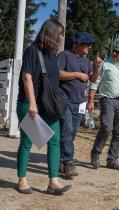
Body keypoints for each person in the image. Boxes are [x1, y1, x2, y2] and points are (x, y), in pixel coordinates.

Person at [16, 19, 71, 195]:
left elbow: (54, 76)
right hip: (30, 104)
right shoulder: (32, 51)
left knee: (54, 141)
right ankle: (22, 180)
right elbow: (27, 77)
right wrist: (32, 103)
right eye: (60, 34)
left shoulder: (52, 55)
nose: (62, 37)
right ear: (52, 34)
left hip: (49, 107)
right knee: (27, 142)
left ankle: (53, 181)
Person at [57, 32, 102, 178]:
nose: (89, 47)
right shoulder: (64, 55)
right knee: (67, 130)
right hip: (64, 99)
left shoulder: (86, 60)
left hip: (79, 102)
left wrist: (96, 67)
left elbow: (93, 79)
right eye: (87, 44)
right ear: (78, 44)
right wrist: (76, 74)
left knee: (73, 132)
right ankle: (68, 162)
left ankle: (59, 158)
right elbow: (57, 73)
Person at [88, 43, 119, 170]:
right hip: (108, 100)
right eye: (114, 50)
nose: (114, 53)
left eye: (117, 51)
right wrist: (91, 99)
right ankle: (95, 153)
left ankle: (112, 160)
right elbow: (95, 82)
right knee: (106, 127)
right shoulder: (105, 64)